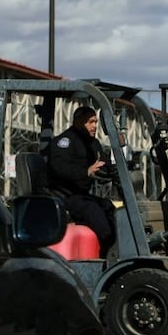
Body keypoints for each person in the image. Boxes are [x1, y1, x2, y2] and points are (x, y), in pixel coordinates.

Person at [46, 105, 117, 257]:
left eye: (96, 122)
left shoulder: (93, 143)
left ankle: (112, 248)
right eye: (90, 122)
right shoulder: (65, 142)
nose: (95, 126)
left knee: (109, 207)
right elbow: (59, 169)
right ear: (79, 122)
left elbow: (103, 163)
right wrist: (86, 172)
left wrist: (114, 170)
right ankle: (106, 254)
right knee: (96, 214)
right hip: (65, 196)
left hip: (82, 195)